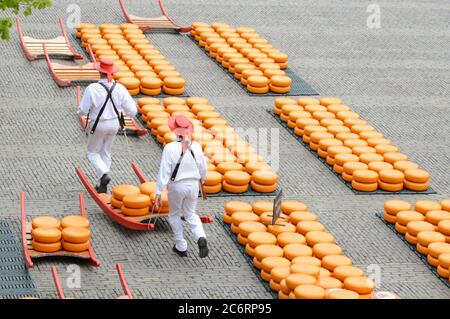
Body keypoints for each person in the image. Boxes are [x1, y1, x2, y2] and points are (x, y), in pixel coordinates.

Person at [78, 59, 137, 193]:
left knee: (92, 153)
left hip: (98, 124)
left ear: (99, 71)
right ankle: (101, 184)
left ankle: (104, 174)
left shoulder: (92, 88)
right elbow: (132, 111)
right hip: (114, 124)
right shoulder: (120, 88)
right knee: (105, 152)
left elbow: (82, 110)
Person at [154, 115, 209, 258]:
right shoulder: (196, 146)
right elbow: (203, 167)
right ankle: (200, 237)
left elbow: (164, 171)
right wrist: (201, 181)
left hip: (177, 186)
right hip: (193, 185)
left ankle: (181, 245)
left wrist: (158, 192)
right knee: (191, 214)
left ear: (174, 131)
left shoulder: (169, 148)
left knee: (174, 214)